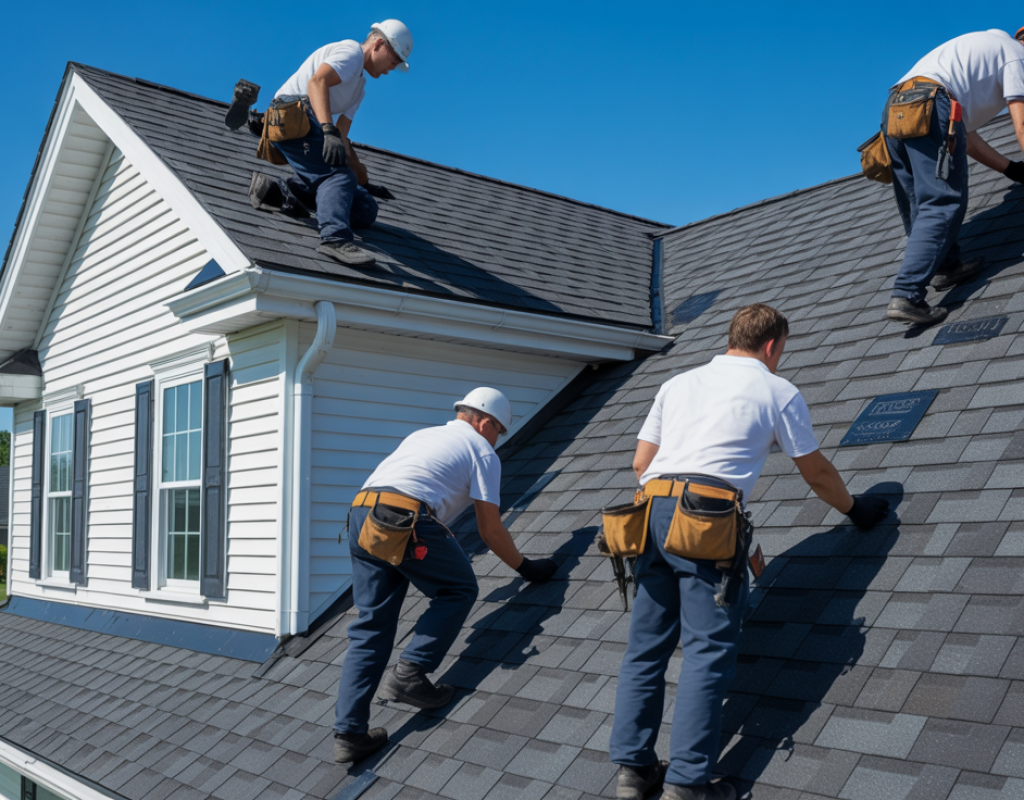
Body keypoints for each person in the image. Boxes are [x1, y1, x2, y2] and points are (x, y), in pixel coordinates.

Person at [610, 304, 889, 800]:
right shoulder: (775, 389)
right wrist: (856, 510)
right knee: (706, 653)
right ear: (771, 346)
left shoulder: (677, 383)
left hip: (647, 514)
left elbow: (640, 462)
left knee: (646, 647)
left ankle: (634, 771)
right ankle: (688, 785)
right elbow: (816, 472)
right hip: (707, 519)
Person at [332, 387, 559, 763]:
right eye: (498, 431)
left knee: (371, 627)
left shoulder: (423, 435)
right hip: (402, 515)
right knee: (458, 588)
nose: (497, 439)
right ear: (486, 422)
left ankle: (349, 733)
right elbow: (490, 528)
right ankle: (411, 672)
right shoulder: (481, 450)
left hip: (362, 516)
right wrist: (526, 568)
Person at [227, 20, 413, 267]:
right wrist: (327, 130)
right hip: (290, 113)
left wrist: (365, 182)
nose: (392, 69)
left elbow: (342, 141)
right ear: (379, 44)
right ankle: (334, 239)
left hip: (308, 122)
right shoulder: (351, 53)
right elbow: (317, 83)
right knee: (338, 178)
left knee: (364, 208)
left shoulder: (359, 89)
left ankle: (279, 192)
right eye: (393, 61)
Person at [882, 27, 1024, 326]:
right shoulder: (1017, 56)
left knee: (917, 201)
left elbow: (964, 136)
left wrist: (1010, 169)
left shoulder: (987, 52)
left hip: (896, 105)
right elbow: (1021, 121)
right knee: (943, 201)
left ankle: (946, 266)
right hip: (933, 101)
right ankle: (907, 294)